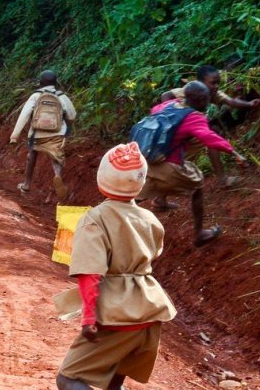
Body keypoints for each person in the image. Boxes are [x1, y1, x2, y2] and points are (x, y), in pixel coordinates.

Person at [55, 142, 177, 390]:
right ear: (140, 182)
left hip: (117, 315)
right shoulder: (150, 219)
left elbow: (91, 272)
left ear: (102, 178)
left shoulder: (95, 219)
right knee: (113, 381)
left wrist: (88, 317)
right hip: (149, 310)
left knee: (69, 379)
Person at [136, 81, 247, 246]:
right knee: (197, 187)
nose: (207, 103)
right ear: (200, 99)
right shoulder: (194, 117)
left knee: (133, 196)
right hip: (169, 166)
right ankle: (199, 234)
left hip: (147, 162)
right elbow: (209, 137)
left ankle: (106, 223)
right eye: (205, 100)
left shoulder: (166, 106)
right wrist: (234, 153)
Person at [161, 65, 260, 188]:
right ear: (200, 83)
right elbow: (165, 95)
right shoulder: (189, 90)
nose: (216, 86)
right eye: (213, 83)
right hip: (177, 132)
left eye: (218, 83)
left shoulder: (213, 93)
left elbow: (231, 101)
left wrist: (249, 104)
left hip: (189, 132)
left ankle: (222, 179)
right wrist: (172, 117)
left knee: (209, 137)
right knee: (173, 162)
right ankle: (159, 197)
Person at [10, 70, 78, 203]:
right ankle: (57, 177)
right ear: (55, 82)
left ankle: (26, 184)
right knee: (56, 158)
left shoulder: (36, 96)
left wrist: (15, 135)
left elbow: (23, 116)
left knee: (32, 155)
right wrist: (66, 127)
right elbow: (72, 115)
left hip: (37, 134)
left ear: (40, 83)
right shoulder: (61, 96)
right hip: (57, 133)